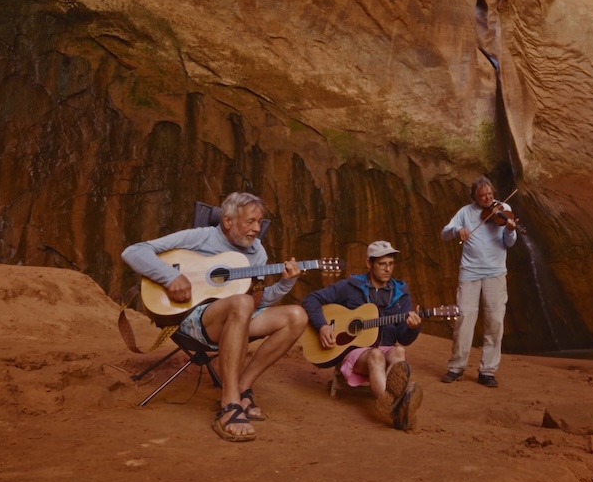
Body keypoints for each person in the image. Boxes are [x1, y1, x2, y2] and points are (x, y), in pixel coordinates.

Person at [121, 192, 308, 442]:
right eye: (250, 221)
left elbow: (258, 302)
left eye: (260, 222)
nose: (256, 229)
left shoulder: (258, 253)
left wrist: (286, 283)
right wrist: (170, 277)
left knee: (297, 315)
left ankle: (243, 386)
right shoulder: (201, 237)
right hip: (192, 318)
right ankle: (228, 404)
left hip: (237, 317)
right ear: (228, 221)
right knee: (240, 303)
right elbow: (134, 251)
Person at [301, 240, 424, 431]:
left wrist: (413, 328)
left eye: (391, 264)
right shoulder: (350, 286)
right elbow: (311, 299)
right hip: (354, 352)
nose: (388, 269)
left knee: (400, 350)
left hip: (386, 347)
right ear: (369, 264)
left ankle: (395, 407)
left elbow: (404, 337)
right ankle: (398, 409)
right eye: (382, 264)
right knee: (375, 355)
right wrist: (323, 326)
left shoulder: (401, 294)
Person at [439, 176, 517, 387]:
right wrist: (457, 230)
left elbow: (509, 243)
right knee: (464, 318)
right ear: (474, 196)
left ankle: (488, 371)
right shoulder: (465, 212)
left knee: (495, 321)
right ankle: (456, 367)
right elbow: (444, 234)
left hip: (495, 272)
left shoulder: (504, 207)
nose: (487, 198)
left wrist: (510, 230)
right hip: (470, 272)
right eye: (482, 196)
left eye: (490, 194)